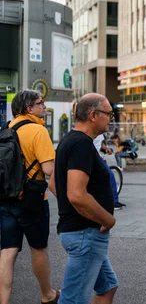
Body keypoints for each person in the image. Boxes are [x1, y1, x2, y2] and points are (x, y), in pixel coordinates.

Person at [53, 93, 119, 303]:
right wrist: (107, 219)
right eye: (109, 114)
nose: (111, 118)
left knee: (108, 286)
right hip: (86, 234)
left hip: (80, 232)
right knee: (73, 299)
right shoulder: (81, 144)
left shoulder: (70, 140)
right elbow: (76, 194)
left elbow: (55, 184)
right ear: (93, 115)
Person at [0, 90, 60, 304]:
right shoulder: (38, 130)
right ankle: (47, 294)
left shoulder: (5, 128)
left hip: (6, 198)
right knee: (38, 248)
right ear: (29, 108)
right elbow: (48, 168)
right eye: (40, 103)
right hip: (33, 200)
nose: (43, 106)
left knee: (7, 251)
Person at [93, 134, 126, 210]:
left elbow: (100, 144)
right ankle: (113, 202)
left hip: (98, 157)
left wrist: (106, 149)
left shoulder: (99, 133)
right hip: (95, 158)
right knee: (109, 175)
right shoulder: (92, 130)